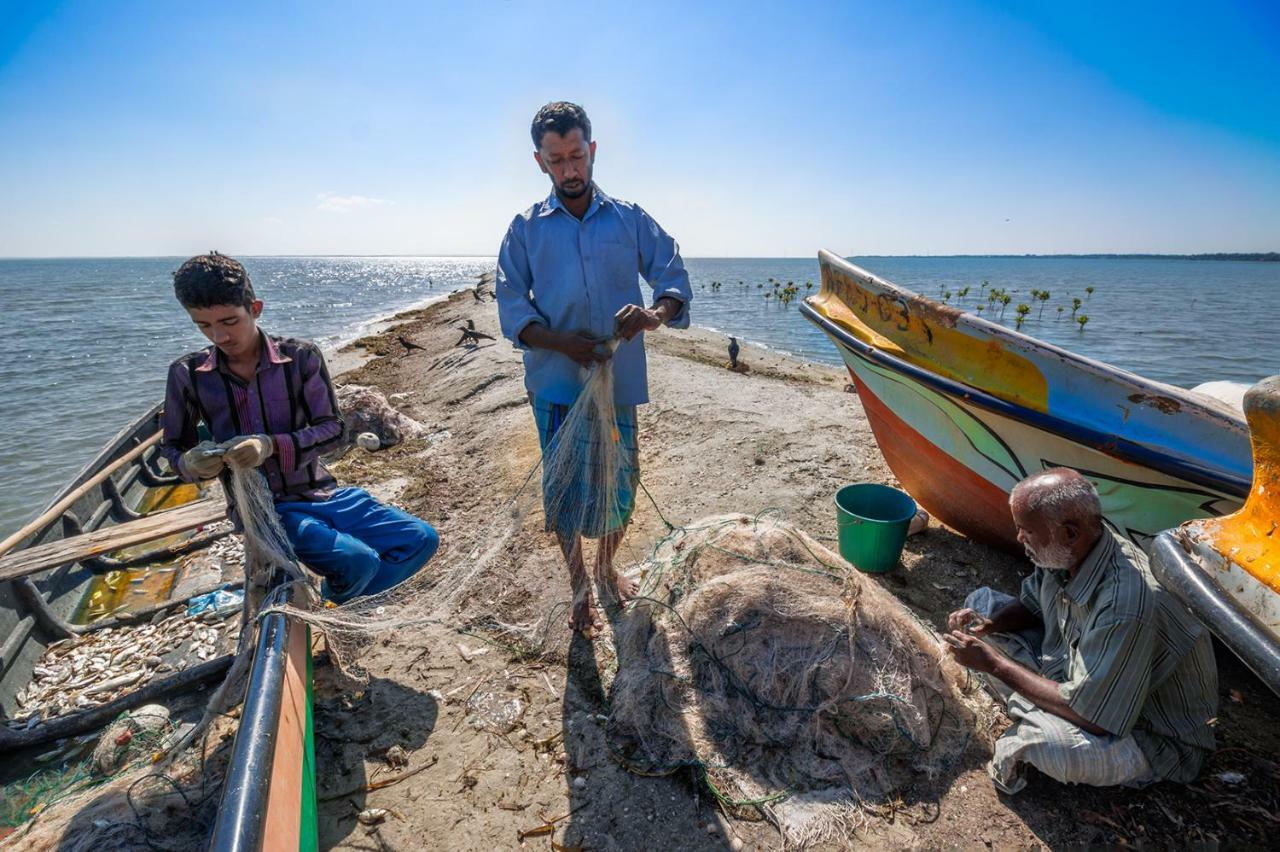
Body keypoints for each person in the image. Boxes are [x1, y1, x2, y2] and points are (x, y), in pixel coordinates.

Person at [496, 101, 693, 635]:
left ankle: (607, 567)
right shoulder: (525, 230)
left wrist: (654, 314)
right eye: (556, 160)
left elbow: (672, 274)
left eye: (577, 156)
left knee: (621, 481)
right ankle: (579, 585)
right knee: (562, 489)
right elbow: (512, 306)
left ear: (593, 150)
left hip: (618, 383)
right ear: (540, 162)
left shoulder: (628, 218)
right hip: (556, 383)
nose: (569, 170)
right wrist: (563, 343)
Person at [160, 252, 439, 603]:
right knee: (358, 560)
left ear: (255, 308)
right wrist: (191, 463)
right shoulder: (187, 374)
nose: (219, 336)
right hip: (267, 511)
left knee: (421, 539)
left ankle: (337, 596)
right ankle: (351, 598)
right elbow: (173, 448)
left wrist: (271, 446)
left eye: (229, 321)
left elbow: (334, 429)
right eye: (203, 325)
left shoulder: (301, 357)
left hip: (324, 492)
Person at [943, 468, 1217, 794]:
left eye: (1026, 531)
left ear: (1069, 533)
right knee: (982, 605)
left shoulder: (1125, 603)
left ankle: (1037, 709)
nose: (1019, 539)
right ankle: (1037, 702)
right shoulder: (1073, 550)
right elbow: (1033, 604)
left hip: (1147, 732)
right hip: (1079, 675)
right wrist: (990, 626)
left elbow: (1094, 717)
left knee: (1040, 745)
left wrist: (994, 664)